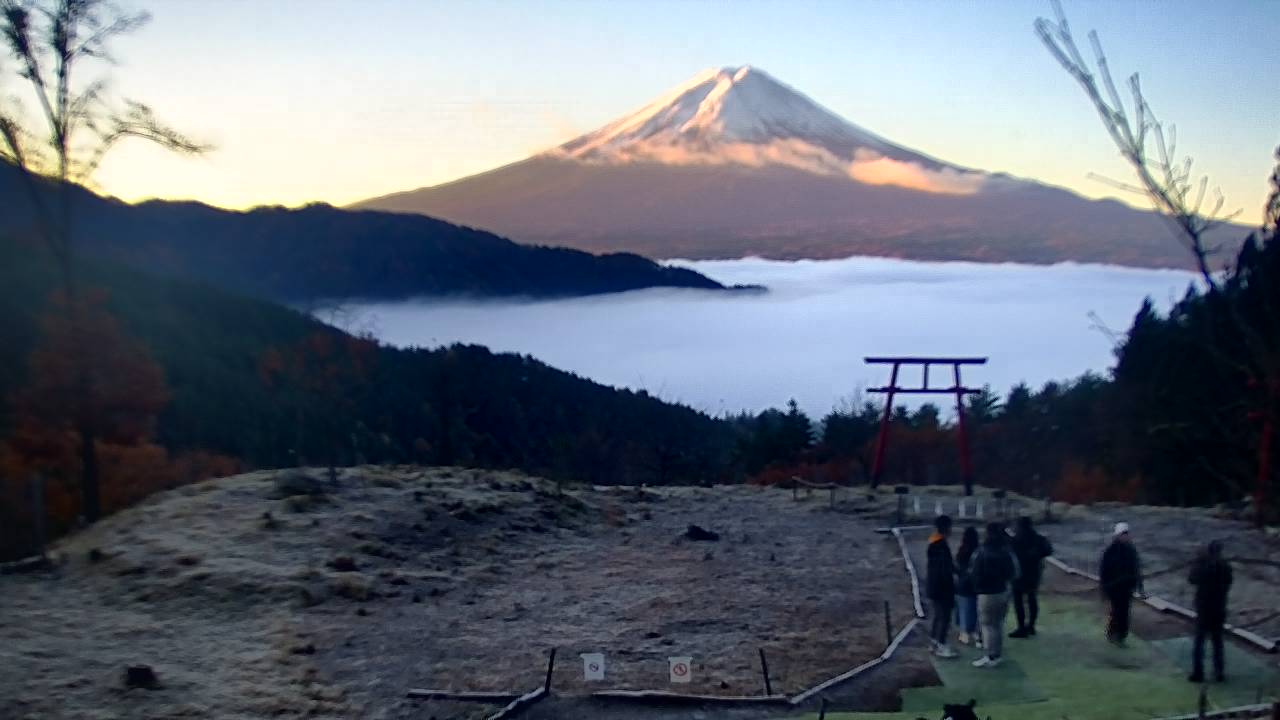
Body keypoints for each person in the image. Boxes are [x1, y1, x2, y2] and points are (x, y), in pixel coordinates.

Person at [969, 522, 1020, 668]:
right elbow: (1015, 572)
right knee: (997, 625)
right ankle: (996, 654)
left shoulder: (982, 551)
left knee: (987, 625)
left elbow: (974, 572)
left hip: (987, 593)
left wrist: (976, 585)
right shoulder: (1006, 551)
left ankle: (990, 656)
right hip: (1003, 591)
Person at [1188, 540, 1233, 683]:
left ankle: (1198, 673)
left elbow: (1192, 579)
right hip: (1219, 607)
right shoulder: (1225, 566)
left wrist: (1198, 561)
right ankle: (1219, 672)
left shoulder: (1203, 566)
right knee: (1217, 642)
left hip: (1204, 607)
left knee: (1199, 642)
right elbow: (1229, 582)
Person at [1099, 522, 1144, 646]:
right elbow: (1104, 570)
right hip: (1114, 587)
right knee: (1117, 611)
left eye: (1127, 534)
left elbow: (1136, 568)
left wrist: (1140, 587)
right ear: (1117, 535)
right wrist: (1104, 588)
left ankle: (1121, 636)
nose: (1126, 537)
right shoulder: (1110, 551)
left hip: (1127, 587)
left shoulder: (1131, 551)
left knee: (1124, 612)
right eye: (1123, 534)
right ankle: (1113, 633)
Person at [1009, 516, 1054, 638]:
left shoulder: (1015, 540)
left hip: (1019, 573)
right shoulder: (1038, 539)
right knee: (1031, 599)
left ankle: (1021, 626)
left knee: (1019, 601)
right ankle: (1031, 626)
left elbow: (1009, 553)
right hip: (1034, 572)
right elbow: (1048, 550)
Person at [925, 514, 959, 658]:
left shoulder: (934, 541)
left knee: (938, 616)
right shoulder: (940, 545)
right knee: (944, 617)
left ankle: (933, 643)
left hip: (933, 585)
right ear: (947, 527)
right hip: (942, 587)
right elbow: (945, 568)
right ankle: (941, 645)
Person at [954, 526, 981, 647]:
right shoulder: (979, 550)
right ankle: (975, 632)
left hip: (963, 584)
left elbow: (957, 567)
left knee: (964, 608)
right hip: (977, 584)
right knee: (975, 609)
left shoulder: (962, 550)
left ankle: (964, 633)